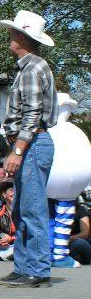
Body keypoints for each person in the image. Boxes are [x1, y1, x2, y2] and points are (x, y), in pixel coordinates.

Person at [0, 10, 58, 288]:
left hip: (31, 145)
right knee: (22, 209)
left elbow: (32, 114)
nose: (10, 37)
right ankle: (25, 266)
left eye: (13, 34)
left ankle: (38, 269)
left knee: (31, 209)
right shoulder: (31, 67)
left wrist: (17, 151)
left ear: (22, 37)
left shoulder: (32, 69)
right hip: (32, 144)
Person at [46, 92, 91, 268]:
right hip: (68, 187)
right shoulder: (75, 132)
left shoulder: (45, 130)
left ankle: (52, 254)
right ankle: (57, 254)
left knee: (49, 217)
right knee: (62, 217)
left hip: (50, 181)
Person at [68, 198, 90, 265]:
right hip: (59, 243)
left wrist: (69, 238)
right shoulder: (54, 209)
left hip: (74, 241)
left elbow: (85, 233)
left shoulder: (80, 209)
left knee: (80, 243)